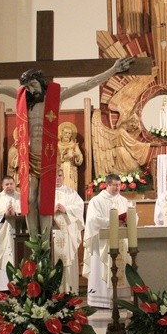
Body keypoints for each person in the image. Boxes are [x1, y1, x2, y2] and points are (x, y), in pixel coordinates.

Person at [0, 57, 133, 242]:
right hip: (29, 156)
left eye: (33, 84)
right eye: (27, 86)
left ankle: (45, 242)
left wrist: (113, 70)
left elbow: (86, 85)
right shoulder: (23, 97)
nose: (31, 89)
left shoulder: (56, 96)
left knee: (44, 202)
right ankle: (35, 241)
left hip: (48, 156)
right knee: (30, 200)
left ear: (40, 81)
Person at [83, 174, 133, 308]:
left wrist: (128, 220)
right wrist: (114, 221)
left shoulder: (123, 200)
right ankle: (102, 299)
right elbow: (94, 220)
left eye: (119, 185)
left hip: (121, 240)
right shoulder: (97, 201)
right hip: (102, 244)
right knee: (102, 269)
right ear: (107, 185)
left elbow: (132, 216)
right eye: (114, 185)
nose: (117, 188)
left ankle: (122, 300)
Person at [52, 168, 85, 293]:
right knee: (54, 262)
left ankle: (70, 291)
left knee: (69, 264)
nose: (57, 178)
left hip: (68, 234)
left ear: (64, 177)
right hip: (53, 235)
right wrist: (51, 210)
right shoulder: (46, 193)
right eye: (55, 176)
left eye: (60, 175)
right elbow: (40, 211)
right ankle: (55, 292)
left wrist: (67, 209)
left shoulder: (71, 193)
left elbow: (79, 207)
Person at [57, 122, 84, 191]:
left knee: (70, 189)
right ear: (62, 133)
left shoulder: (74, 145)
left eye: (69, 133)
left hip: (71, 169)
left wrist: (76, 155)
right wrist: (63, 155)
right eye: (66, 133)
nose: (67, 135)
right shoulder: (57, 145)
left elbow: (80, 157)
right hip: (60, 168)